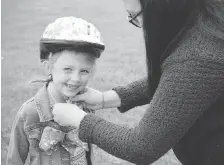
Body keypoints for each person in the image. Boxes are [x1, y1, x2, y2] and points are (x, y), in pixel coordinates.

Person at [53, 0, 224, 165]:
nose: (140, 27)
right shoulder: (207, 20)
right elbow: (180, 83)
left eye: (135, 16)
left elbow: (141, 147)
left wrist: (79, 119)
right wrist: (107, 98)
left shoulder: (199, 55)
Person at [6, 16, 105, 165]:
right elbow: (14, 160)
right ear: (48, 67)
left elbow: (87, 151)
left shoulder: (85, 104)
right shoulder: (29, 113)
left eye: (84, 71)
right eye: (67, 69)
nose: (76, 79)